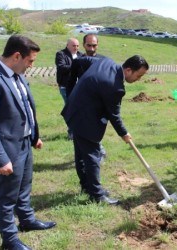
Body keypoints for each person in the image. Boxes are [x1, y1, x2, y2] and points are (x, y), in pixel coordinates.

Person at [0, 35, 56, 250]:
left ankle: (27, 221)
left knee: (24, 188)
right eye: (30, 61)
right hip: (7, 149)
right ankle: (9, 240)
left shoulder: (16, 75)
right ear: (17, 56)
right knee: (7, 196)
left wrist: (33, 135)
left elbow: (24, 108)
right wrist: (0, 159)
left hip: (24, 143)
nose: (31, 65)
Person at [62, 55, 149, 205]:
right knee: (92, 156)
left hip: (74, 111)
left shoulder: (107, 61)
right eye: (138, 75)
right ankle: (97, 195)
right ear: (128, 70)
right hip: (84, 118)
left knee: (81, 154)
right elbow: (114, 115)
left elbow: (80, 61)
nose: (138, 79)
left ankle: (88, 187)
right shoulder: (115, 86)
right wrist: (124, 133)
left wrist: (73, 84)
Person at [66, 34, 106, 194]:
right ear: (83, 45)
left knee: (92, 147)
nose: (91, 49)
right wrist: (71, 104)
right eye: (88, 45)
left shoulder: (103, 62)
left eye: (94, 45)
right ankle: (86, 186)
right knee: (82, 151)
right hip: (81, 110)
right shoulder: (79, 62)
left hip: (97, 110)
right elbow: (70, 84)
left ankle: (92, 186)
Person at [55, 38, 82, 139]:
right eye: (74, 46)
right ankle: (72, 132)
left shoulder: (81, 55)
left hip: (79, 87)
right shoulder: (61, 54)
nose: (76, 48)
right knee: (71, 109)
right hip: (66, 87)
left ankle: (78, 130)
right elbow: (61, 67)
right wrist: (75, 66)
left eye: (77, 46)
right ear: (68, 45)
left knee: (79, 109)